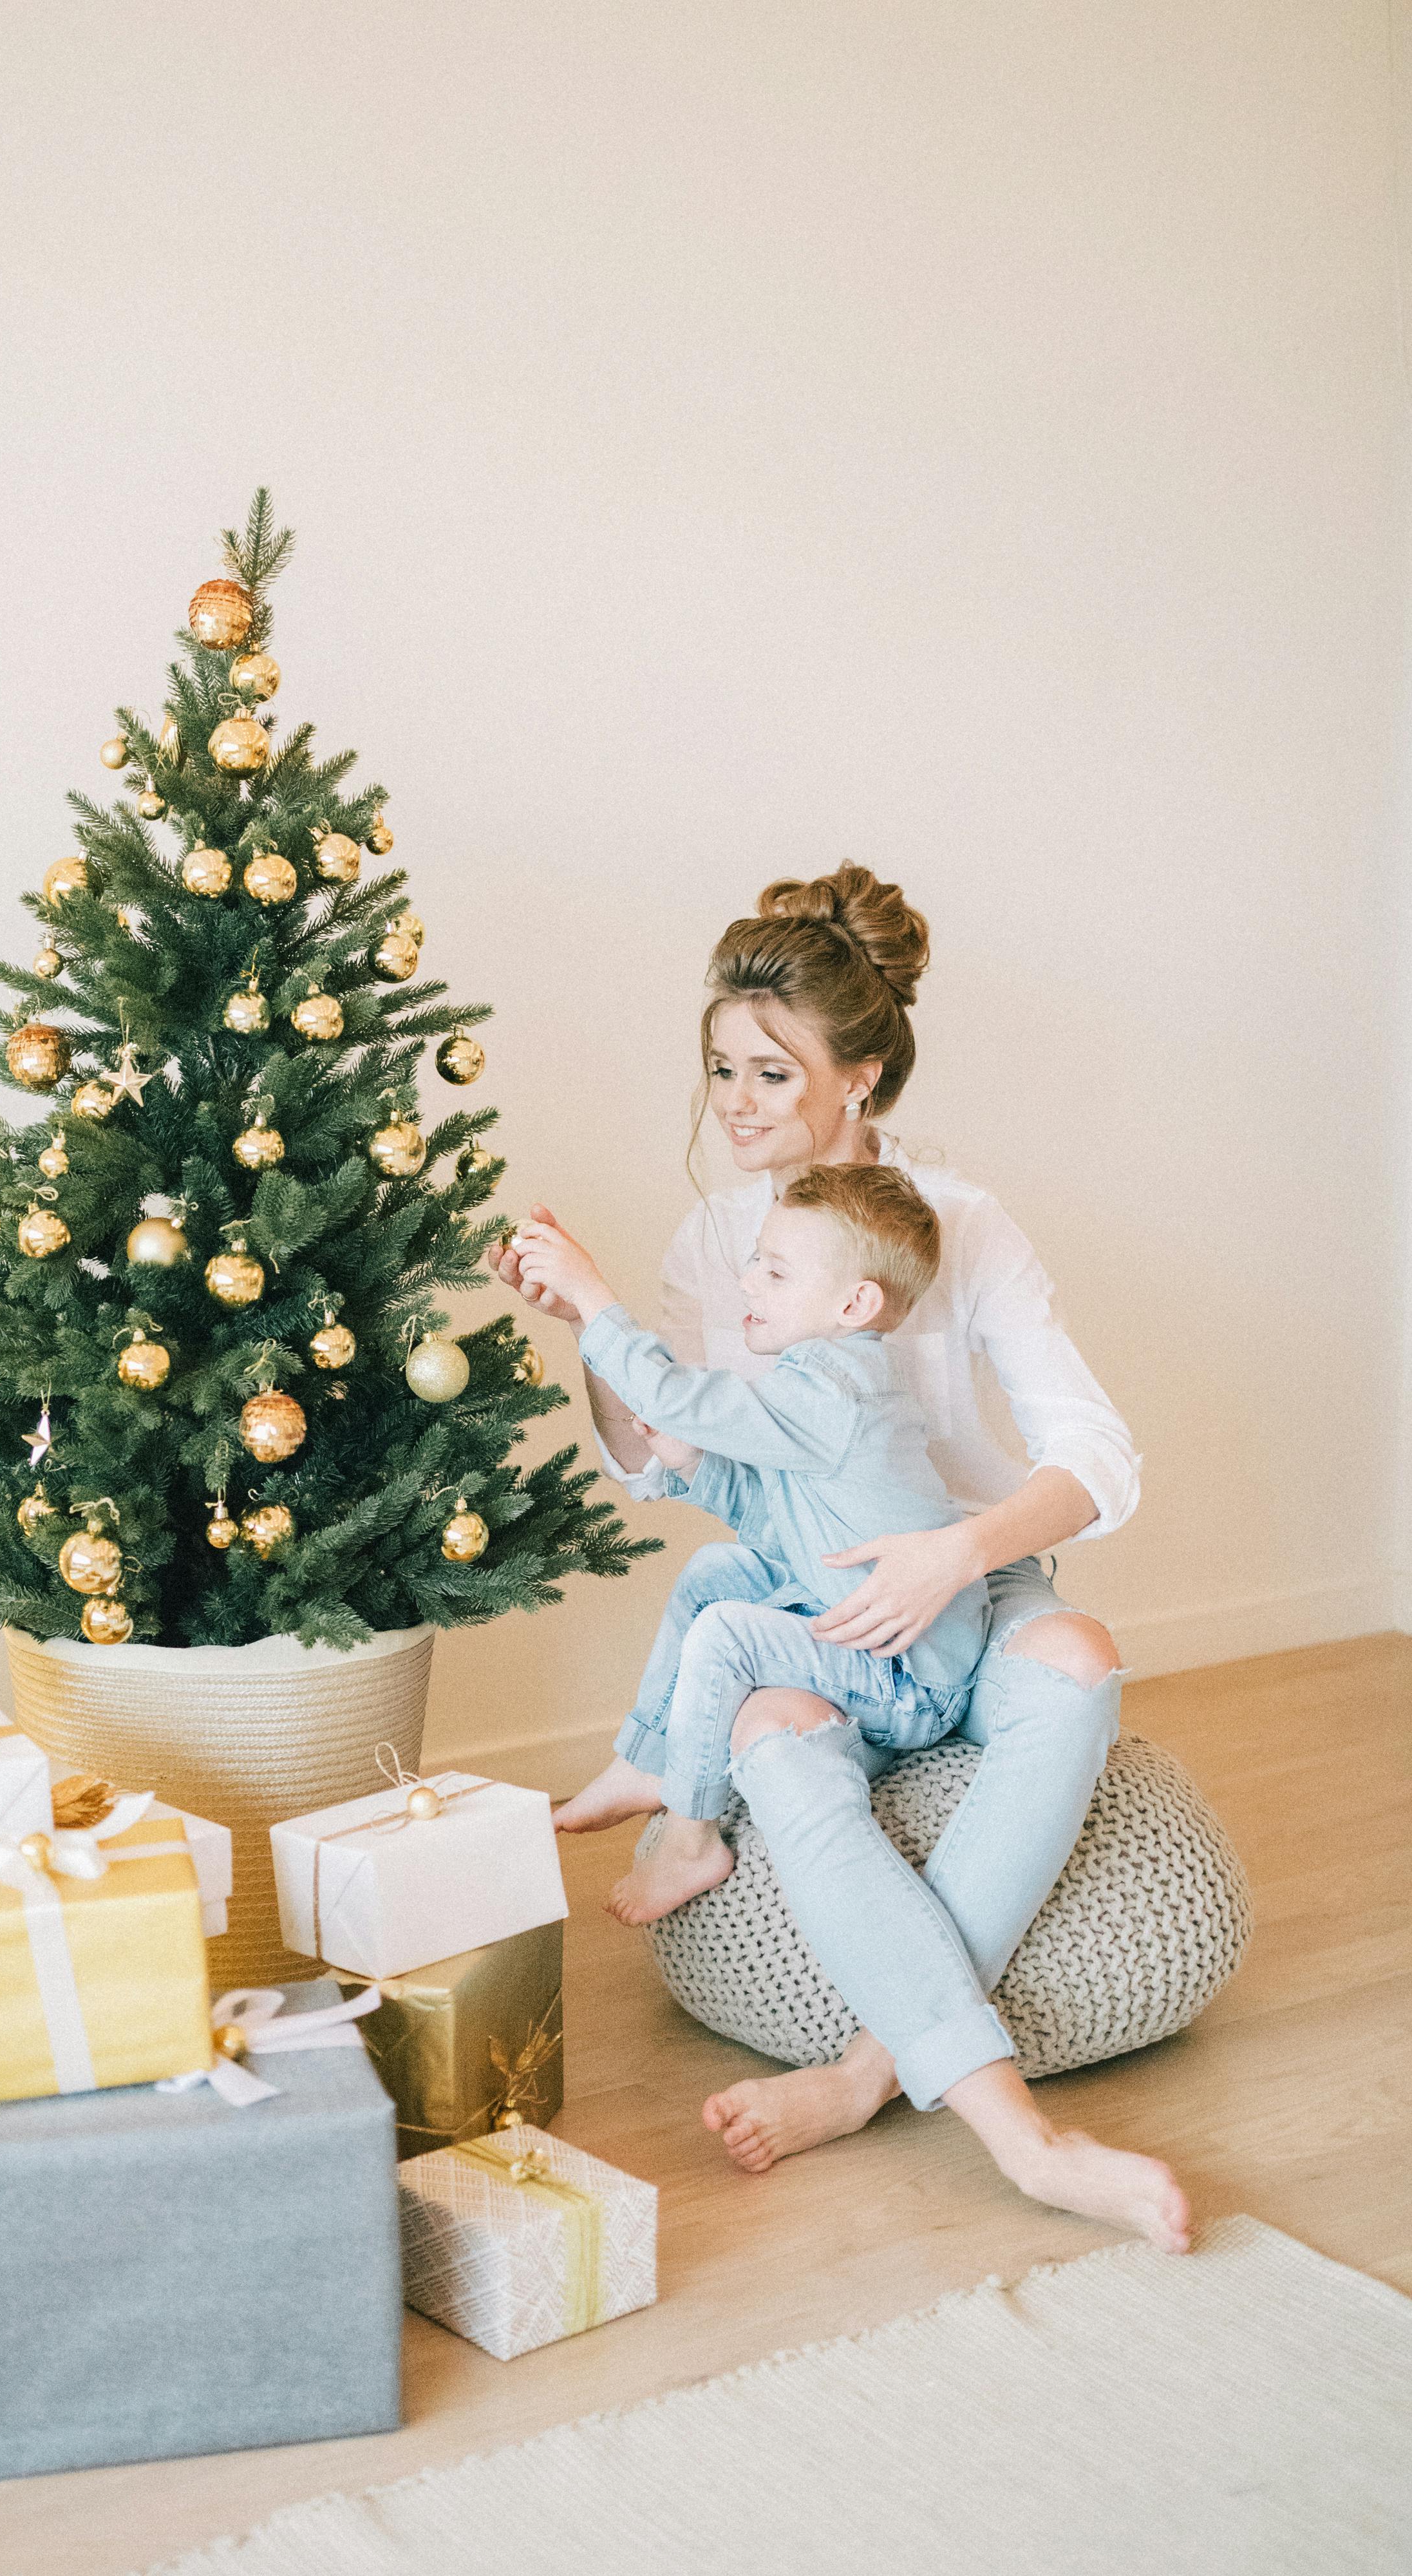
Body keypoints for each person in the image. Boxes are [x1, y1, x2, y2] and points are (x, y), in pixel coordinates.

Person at [493, 866, 1190, 2254]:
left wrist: (958, 1555)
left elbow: (1097, 1456)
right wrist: (589, 1325)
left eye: (771, 1069)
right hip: (811, 1595)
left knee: (1079, 1659)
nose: (735, 1101)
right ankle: (1003, 2116)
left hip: (970, 1588)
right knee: (759, 1703)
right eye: (720, 1069)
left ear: (863, 1073)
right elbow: (668, 1460)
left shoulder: (962, 1224)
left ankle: (868, 2074)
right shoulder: (717, 1237)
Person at [512, 1164, 992, 1931]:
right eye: (755, 1260)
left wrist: (592, 1295)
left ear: (853, 1304)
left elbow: (673, 1392)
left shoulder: (835, 1390)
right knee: (718, 1570)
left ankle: (692, 1835)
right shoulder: (822, 1382)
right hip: (854, 1618)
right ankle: (647, 1757)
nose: (748, 1280)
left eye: (774, 1269)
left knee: (726, 1633)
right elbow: (775, 1523)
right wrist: (694, 1463)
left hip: (908, 1678)